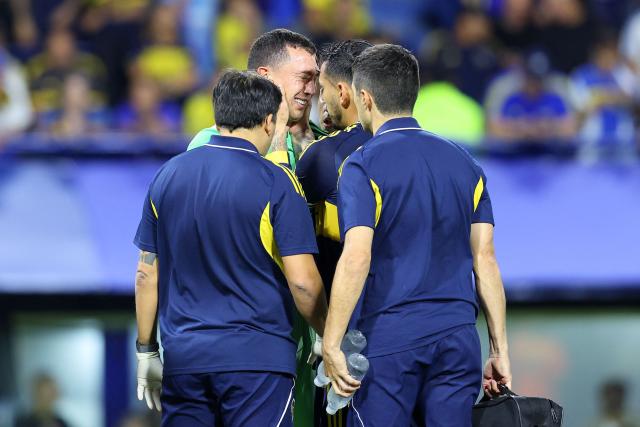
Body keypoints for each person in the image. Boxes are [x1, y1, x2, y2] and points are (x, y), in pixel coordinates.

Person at [321, 44, 512, 427]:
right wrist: (498, 348)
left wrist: (331, 342)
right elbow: (485, 259)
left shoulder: (362, 164)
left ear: (365, 98)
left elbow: (357, 256)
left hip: (390, 342)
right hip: (458, 340)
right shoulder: (465, 163)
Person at [133, 70, 328, 426]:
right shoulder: (277, 182)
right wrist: (327, 334)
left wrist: (146, 351)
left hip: (185, 359)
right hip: (258, 362)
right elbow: (303, 283)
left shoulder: (168, 175)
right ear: (271, 122)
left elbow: (147, 272)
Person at [294, 39, 372, 426]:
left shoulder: (322, 157)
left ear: (343, 92)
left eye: (321, 88)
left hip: (347, 343)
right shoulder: (434, 155)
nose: (317, 99)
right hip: (422, 335)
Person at [187, 28, 327, 169]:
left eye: (314, 79)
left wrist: (303, 137)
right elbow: (276, 190)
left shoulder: (315, 138)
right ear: (266, 77)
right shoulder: (212, 144)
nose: (312, 90)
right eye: (304, 77)